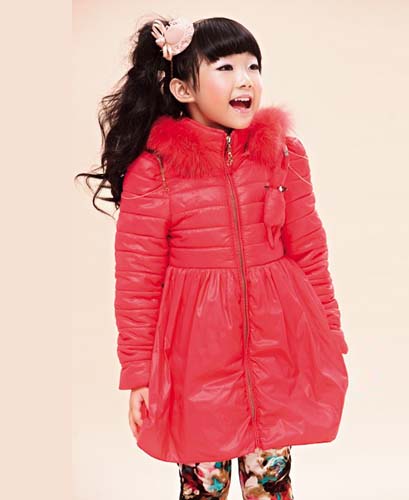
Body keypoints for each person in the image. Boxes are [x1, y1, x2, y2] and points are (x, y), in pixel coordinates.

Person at [76, 15, 349, 500]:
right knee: (204, 484)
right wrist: (139, 373)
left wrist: (328, 329)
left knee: (271, 478)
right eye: (225, 67)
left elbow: (309, 248)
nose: (245, 80)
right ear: (183, 89)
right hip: (195, 354)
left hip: (276, 342)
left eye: (253, 66)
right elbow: (138, 279)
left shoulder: (284, 155)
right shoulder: (156, 170)